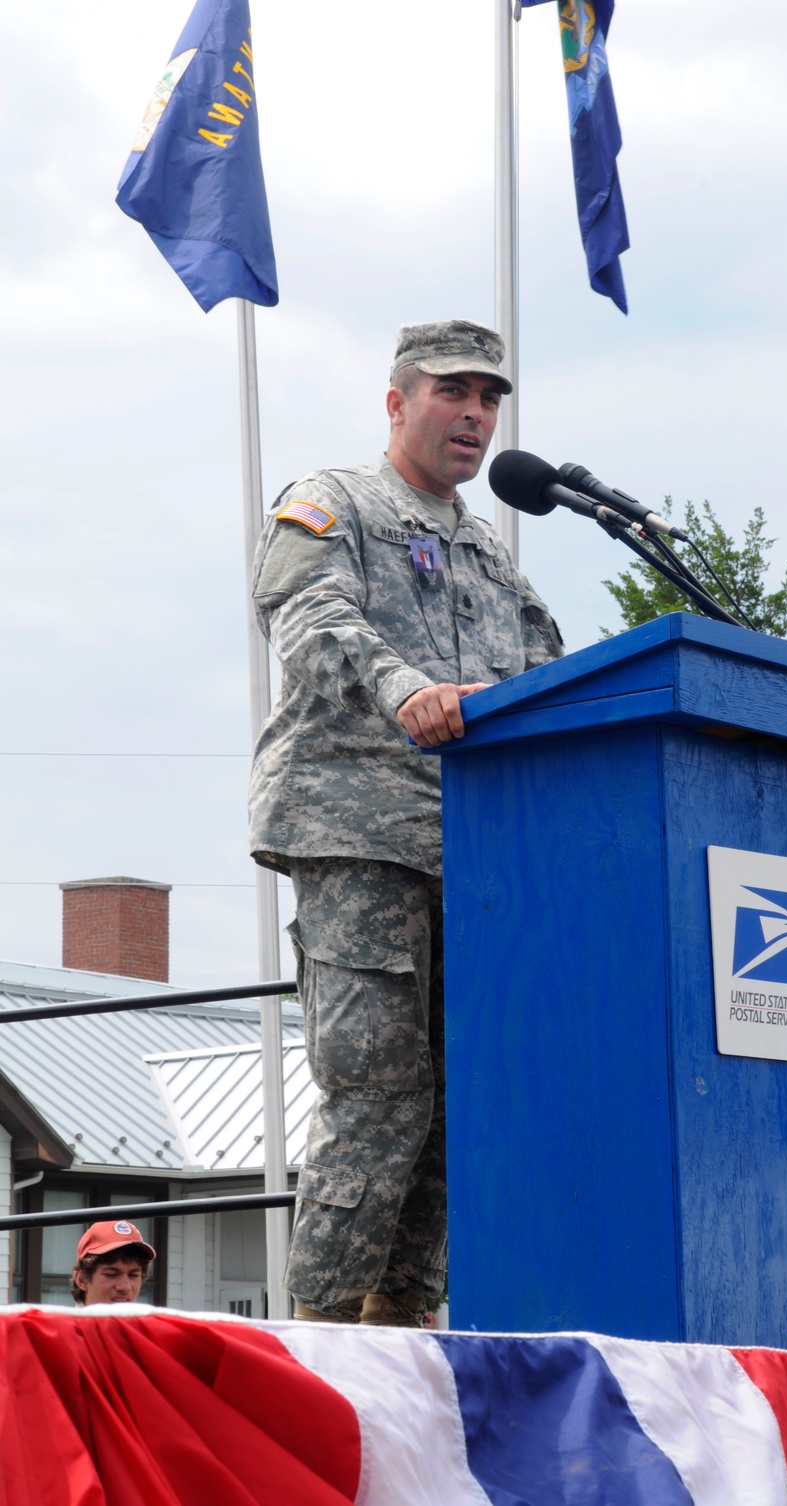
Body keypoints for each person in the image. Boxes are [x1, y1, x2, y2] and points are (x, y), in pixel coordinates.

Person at [248, 319, 563, 1327]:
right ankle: (318, 1347)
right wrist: (409, 689)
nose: (474, 413)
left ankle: (404, 1324)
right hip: (359, 838)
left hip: (475, 859)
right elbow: (312, 623)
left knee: (455, 1109)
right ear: (397, 402)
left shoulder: (493, 562)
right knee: (380, 1098)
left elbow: (553, 687)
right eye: (451, 391)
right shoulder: (332, 502)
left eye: (488, 397)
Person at [70, 1220, 155, 1306]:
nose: (125, 1287)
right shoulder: (59, 1319)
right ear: (82, 1280)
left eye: (133, 1275)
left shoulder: (157, 1318)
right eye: (111, 1274)